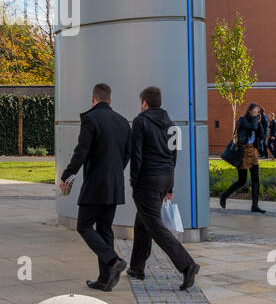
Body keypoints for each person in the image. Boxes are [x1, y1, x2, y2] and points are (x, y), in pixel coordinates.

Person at [58, 82, 131, 291]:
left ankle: (113, 260)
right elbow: (127, 155)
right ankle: (105, 279)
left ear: (93, 99)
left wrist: (68, 174)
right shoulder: (123, 122)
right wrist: (115, 172)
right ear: (110, 99)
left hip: (96, 184)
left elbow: (82, 151)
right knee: (105, 228)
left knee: (83, 225)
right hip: (115, 183)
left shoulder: (91, 119)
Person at [128, 86, 200, 291]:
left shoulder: (140, 121)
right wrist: (170, 186)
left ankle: (187, 265)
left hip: (147, 180)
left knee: (155, 227)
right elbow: (173, 158)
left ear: (144, 103)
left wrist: (134, 181)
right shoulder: (172, 125)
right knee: (142, 224)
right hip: (164, 178)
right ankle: (136, 268)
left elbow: (137, 155)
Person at [219, 102, 267, 213]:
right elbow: (252, 127)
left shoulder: (256, 121)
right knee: (242, 180)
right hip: (243, 151)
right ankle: (224, 195)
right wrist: (256, 121)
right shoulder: (242, 120)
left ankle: (255, 206)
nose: (257, 114)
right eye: (255, 112)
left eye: (258, 112)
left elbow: (262, 136)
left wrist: (260, 123)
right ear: (249, 111)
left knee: (256, 178)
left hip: (253, 151)